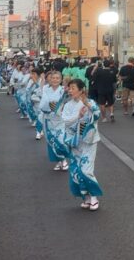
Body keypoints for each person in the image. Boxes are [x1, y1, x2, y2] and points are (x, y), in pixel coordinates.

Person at [62, 78, 102, 211]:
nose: (70, 90)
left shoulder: (90, 103)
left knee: (86, 169)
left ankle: (94, 197)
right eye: (69, 88)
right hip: (75, 142)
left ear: (81, 90)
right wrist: (78, 117)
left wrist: (89, 106)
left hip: (89, 141)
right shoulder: (67, 105)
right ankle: (86, 197)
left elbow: (97, 115)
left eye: (73, 88)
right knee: (76, 171)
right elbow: (65, 122)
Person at [39, 71, 68, 171]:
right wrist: (52, 106)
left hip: (60, 120)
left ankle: (64, 160)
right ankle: (59, 161)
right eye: (53, 78)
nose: (55, 80)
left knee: (60, 140)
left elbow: (67, 104)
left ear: (60, 80)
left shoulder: (64, 90)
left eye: (57, 78)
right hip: (48, 119)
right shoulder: (46, 90)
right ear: (50, 80)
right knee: (51, 141)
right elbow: (43, 104)